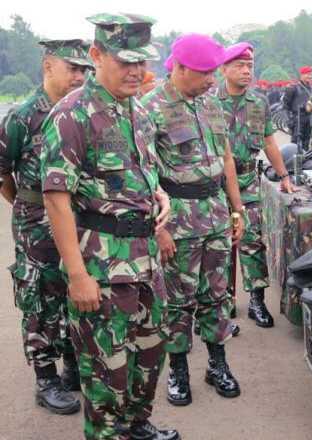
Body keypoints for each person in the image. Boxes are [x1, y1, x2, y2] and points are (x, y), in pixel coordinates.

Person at [40, 13, 179, 440]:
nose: (136, 71)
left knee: (149, 355)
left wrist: (160, 196)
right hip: (101, 268)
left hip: (145, 263)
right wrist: (78, 275)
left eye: (142, 61)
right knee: (105, 372)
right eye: (125, 61)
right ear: (97, 56)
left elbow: (139, 172)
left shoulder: (135, 109)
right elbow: (56, 198)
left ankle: (137, 426)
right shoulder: (73, 114)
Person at [142, 34, 246, 405]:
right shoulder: (149, 108)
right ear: (180, 68)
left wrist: (237, 209)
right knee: (177, 300)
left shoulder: (211, 103)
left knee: (218, 295)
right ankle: (179, 370)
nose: (210, 79)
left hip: (216, 211)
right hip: (178, 220)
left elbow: (228, 159)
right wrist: (158, 228)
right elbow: (145, 175)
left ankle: (217, 364)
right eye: (204, 73)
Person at [0, 38, 92, 416]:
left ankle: (72, 367)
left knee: (78, 289)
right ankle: (45, 377)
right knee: (40, 296)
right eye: (72, 68)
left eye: (84, 69)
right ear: (48, 66)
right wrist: (29, 203)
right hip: (36, 222)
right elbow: (3, 174)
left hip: (78, 219)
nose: (79, 76)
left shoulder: (83, 114)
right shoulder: (22, 117)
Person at [217, 43, 294, 328]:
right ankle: (223, 301)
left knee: (252, 241)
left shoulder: (259, 103)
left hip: (248, 180)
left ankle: (257, 301)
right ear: (224, 69)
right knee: (220, 245)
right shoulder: (210, 101)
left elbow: (269, 142)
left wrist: (284, 175)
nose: (246, 71)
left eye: (250, 65)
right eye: (239, 65)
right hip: (216, 184)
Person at [283, 66, 312, 151]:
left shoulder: (310, 88)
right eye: (307, 74)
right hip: (298, 118)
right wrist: (289, 120)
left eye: (310, 74)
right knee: (295, 144)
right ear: (302, 75)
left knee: (306, 143)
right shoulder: (293, 88)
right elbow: (285, 106)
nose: (309, 76)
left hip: (308, 118)